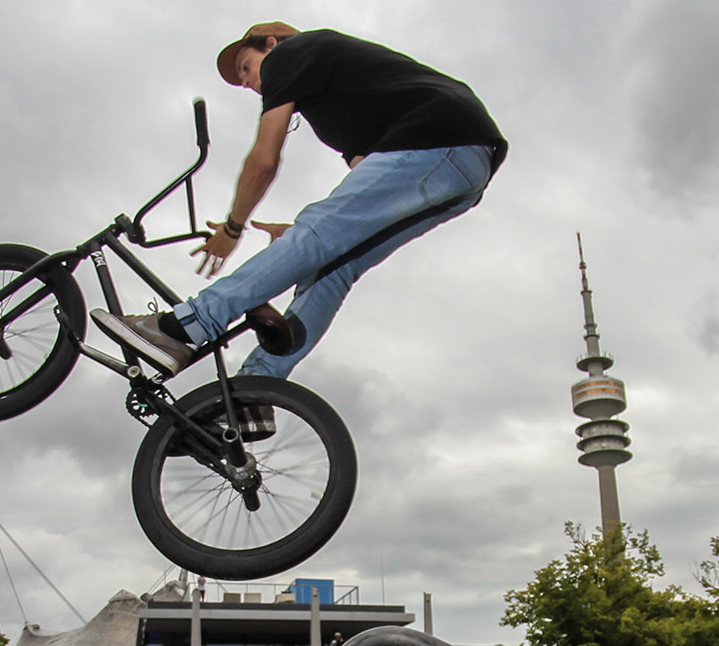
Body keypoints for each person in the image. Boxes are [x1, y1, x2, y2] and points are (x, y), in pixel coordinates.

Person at [93, 25, 507, 392]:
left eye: (245, 67)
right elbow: (366, 196)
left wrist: (233, 229)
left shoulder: (292, 53)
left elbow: (264, 160)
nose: (248, 83)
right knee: (333, 266)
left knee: (318, 234)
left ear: (270, 45)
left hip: (441, 137)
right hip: (465, 168)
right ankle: (257, 388)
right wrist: (300, 236)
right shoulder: (336, 110)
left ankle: (186, 325)